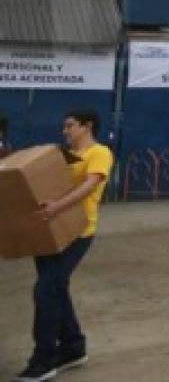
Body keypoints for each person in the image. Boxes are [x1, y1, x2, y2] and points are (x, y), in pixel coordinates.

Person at [16, 109, 114, 382]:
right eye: (64, 127)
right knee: (56, 288)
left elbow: (90, 185)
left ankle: (43, 360)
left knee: (45, 291)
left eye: (70, 126)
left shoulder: (99, 153)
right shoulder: (61, 156)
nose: (65, 131)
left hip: (78, 232)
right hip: (49, 230)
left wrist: (57, 206)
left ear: (87, 126)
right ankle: (73, 346)